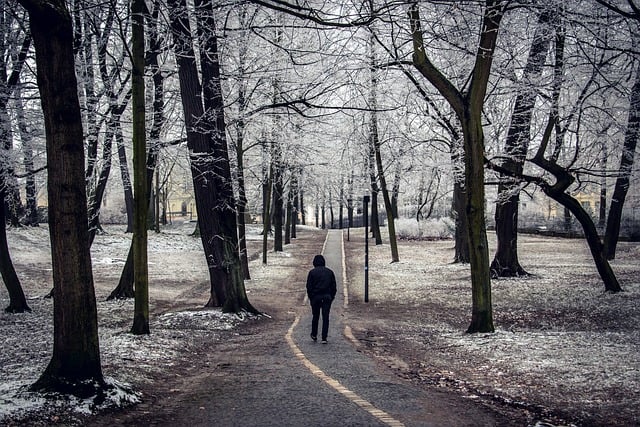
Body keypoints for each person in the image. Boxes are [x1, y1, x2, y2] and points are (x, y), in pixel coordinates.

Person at [306, 254, 337, 344]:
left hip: (316, 297)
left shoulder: (312, 273)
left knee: (315, 316)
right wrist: (331, 297)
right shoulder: (330, 272)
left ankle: (314, 334)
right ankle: (324, 337)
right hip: (327, 296)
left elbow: (309, 286)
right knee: (325, 317)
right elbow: (333, 286)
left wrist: (311, 297)